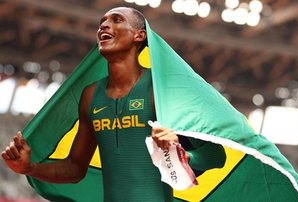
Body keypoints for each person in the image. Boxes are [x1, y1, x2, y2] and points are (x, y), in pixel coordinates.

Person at [1, 7, 226, 202]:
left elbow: (217, 156)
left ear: (139, 35)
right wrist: (29, 168)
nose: (104, 26)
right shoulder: (91, 96)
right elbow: (75, 167)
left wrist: (182, 155)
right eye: (102, 23)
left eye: (116, 20)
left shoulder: (162, 90)